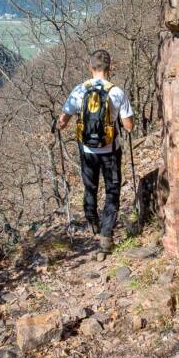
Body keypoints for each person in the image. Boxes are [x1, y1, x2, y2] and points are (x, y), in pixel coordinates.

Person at [58, 50, 134, 260]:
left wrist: (60, 124)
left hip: (87, 151)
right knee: (112, 191)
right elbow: (128, 126)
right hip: (110, 150)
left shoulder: (79, 90)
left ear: (90, 67)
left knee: (90, 187)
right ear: (111, 67)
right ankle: (106, 237)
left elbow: (63, 120)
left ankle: (92, 219)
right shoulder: (116, 92)